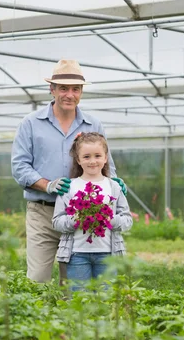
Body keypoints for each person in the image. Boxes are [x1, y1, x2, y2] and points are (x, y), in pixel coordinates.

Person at [11, 59, 127, 283]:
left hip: (82, 215)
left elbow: (107, 166)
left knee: (74, 283)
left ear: (81, 92)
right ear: (52, 89)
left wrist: (115, 184)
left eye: (75, 89)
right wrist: (48, 185)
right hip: (42, 213)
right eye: (63, 88)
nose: (69, 94)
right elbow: (19, 167)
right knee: (37, 279)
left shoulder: (93, 125)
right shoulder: (31, 123)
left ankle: (70, 318)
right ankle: (37, 317)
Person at [52, 132, 132, 290]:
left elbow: (127, 220)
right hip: (76, 255)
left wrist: (109, 219)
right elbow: (56, 222)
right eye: (86, 156)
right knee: (80, 301)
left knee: (105, 301)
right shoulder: (69, 187)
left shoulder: (114, 186)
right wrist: (76, 219)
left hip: (108, 255)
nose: (93, 161)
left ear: (105, 157)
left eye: (97, 155)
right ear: (78, 159)